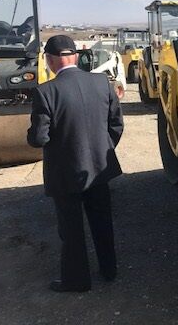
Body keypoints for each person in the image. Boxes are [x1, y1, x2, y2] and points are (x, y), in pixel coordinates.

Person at [27, 35, 124, 292]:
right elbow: (116, 124)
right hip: (99, 167)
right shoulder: (101, 82)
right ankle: (109, 270)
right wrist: (102, 148)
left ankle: (77, 280)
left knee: (71, 229)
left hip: (65, 171)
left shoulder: (45, 92)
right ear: (75, 56)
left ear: (49, 60)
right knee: (102, 221)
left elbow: (38, 138)